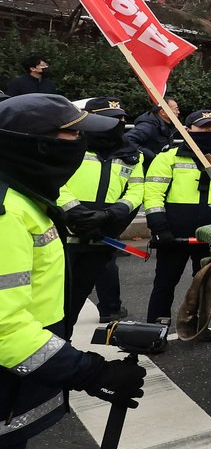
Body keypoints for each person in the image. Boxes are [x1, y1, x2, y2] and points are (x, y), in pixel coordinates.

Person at [0, 94, 146, 449]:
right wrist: (87, 370)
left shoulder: (22, 195)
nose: (79, 141)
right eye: (71, 133)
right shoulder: (6, 211)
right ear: (35, 144)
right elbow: (3, 327)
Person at [143, 109, 211, 332]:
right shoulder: (168, 157)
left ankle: (199, 327)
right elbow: (152, 193)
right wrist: (159, 226)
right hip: (174, 234)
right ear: (188, 130)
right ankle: (155, 330)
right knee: (164, 283)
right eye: (203, 127)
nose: (209, 131)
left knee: (204, 285)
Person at [58, 98, 145, 327]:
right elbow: (54, 182)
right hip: (64, 232)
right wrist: (75, 211)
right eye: (110, 119)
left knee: (77, 295)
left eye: (121, 118)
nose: (119, 123)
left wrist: (111, 215)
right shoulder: (67, 144)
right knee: (55, 297)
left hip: (102, 234)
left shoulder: (133, 154)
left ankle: (64, 341)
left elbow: (136, 191)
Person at [126, 95, 181, 167]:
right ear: (163, 112)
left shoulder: (168, 126)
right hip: (144, 168)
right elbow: (127, 140)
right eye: (175, 109)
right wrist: (152, 156)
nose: (178, 112)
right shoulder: (148, 126)